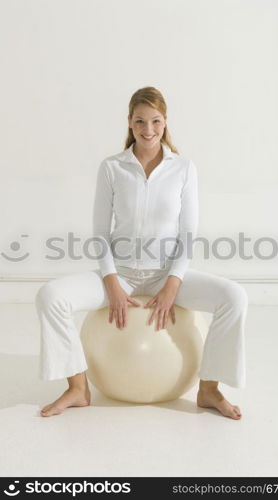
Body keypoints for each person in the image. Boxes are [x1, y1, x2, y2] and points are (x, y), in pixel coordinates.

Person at [35, 86, 248, 419]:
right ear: (129, 123)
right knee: (50, 296)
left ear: (165, 122)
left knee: (234, 297)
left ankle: (209, 390)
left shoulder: (183, 168)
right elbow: (101, 234)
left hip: (167, 274)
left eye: (156, 121)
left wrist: (172, 285)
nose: (148, 131)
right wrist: (113, 284)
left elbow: (187, 234)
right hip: (119, 273)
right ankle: (77, 387)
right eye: (140, 122)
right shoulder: (112, 168)